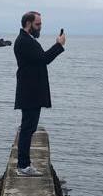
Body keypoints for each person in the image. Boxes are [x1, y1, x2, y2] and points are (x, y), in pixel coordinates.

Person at [13, 11, 66, 177]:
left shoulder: (28, 40)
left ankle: (24, 164)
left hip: (31, 92)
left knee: (29, 127)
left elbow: (39, 60)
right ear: (28, 23)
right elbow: (43, 59)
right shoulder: (24, 41)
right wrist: (59, 45)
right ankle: (23, 165)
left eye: (40, 24)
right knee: (28, 128)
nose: (40, 27)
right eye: (37, 24)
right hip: (29, 93)